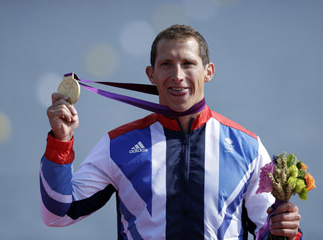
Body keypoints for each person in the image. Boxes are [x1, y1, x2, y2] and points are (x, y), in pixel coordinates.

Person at [40, 24, 302, 239]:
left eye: (188, 63)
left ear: (208, 72)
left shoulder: (248, 148)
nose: (177, 75)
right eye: (166, 64)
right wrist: (61, 142)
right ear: (151, 74)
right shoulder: (118, 146)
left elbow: (267, 231)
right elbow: (57, 214)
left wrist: (286, 230)